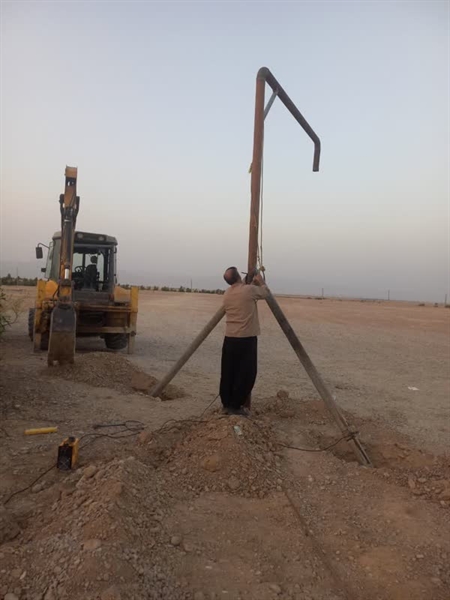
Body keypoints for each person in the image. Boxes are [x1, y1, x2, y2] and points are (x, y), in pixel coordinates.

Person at [220, 266, 267, 415]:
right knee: (246, 373)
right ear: (238, 276)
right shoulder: (249, 290)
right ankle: (236, 406)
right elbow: (265, 293)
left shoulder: (227, 293)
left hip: (229, 338)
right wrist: (260, 281)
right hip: (246, 339)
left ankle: (226, 404)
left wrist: (251, 283)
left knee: (228, 372)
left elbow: (245, 293)